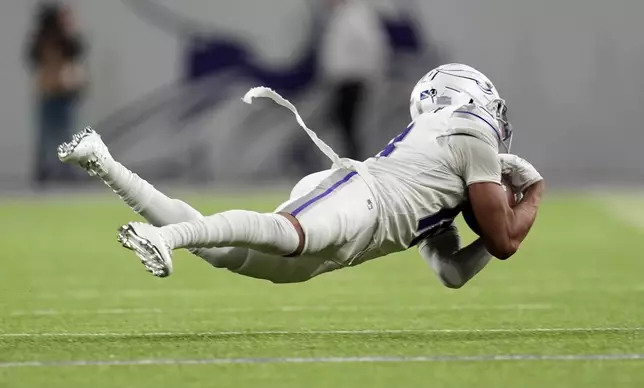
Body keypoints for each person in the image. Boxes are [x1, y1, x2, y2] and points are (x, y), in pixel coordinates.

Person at [58, 63, 544, 288]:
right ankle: (166, 235)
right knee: (290, 234)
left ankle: (102, 161)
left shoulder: (444, 178)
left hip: (350, 241)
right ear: (466, 98)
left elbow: (452, 273)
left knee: (226, 253)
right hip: (362, 197)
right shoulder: (467, 132)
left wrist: (486, 227)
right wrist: (534, 194)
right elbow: (504, 240)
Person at [26, 1, 87, 186]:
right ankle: (45, 169)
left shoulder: (66, 41)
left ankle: (65, 170)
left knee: (65, 133)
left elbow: (77, 50)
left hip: (63, 92)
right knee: (47, 134)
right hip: (48, 92)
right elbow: (33, 57)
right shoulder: (42, 42)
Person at [319, 0, 389, 160]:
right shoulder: (342, 16)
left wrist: (373, 75)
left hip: (354, 80)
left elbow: (372, 46)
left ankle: (355, 162)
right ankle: (350, 160)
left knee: (351, 126)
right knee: (343, 125)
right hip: (343, 81)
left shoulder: (355, 16)